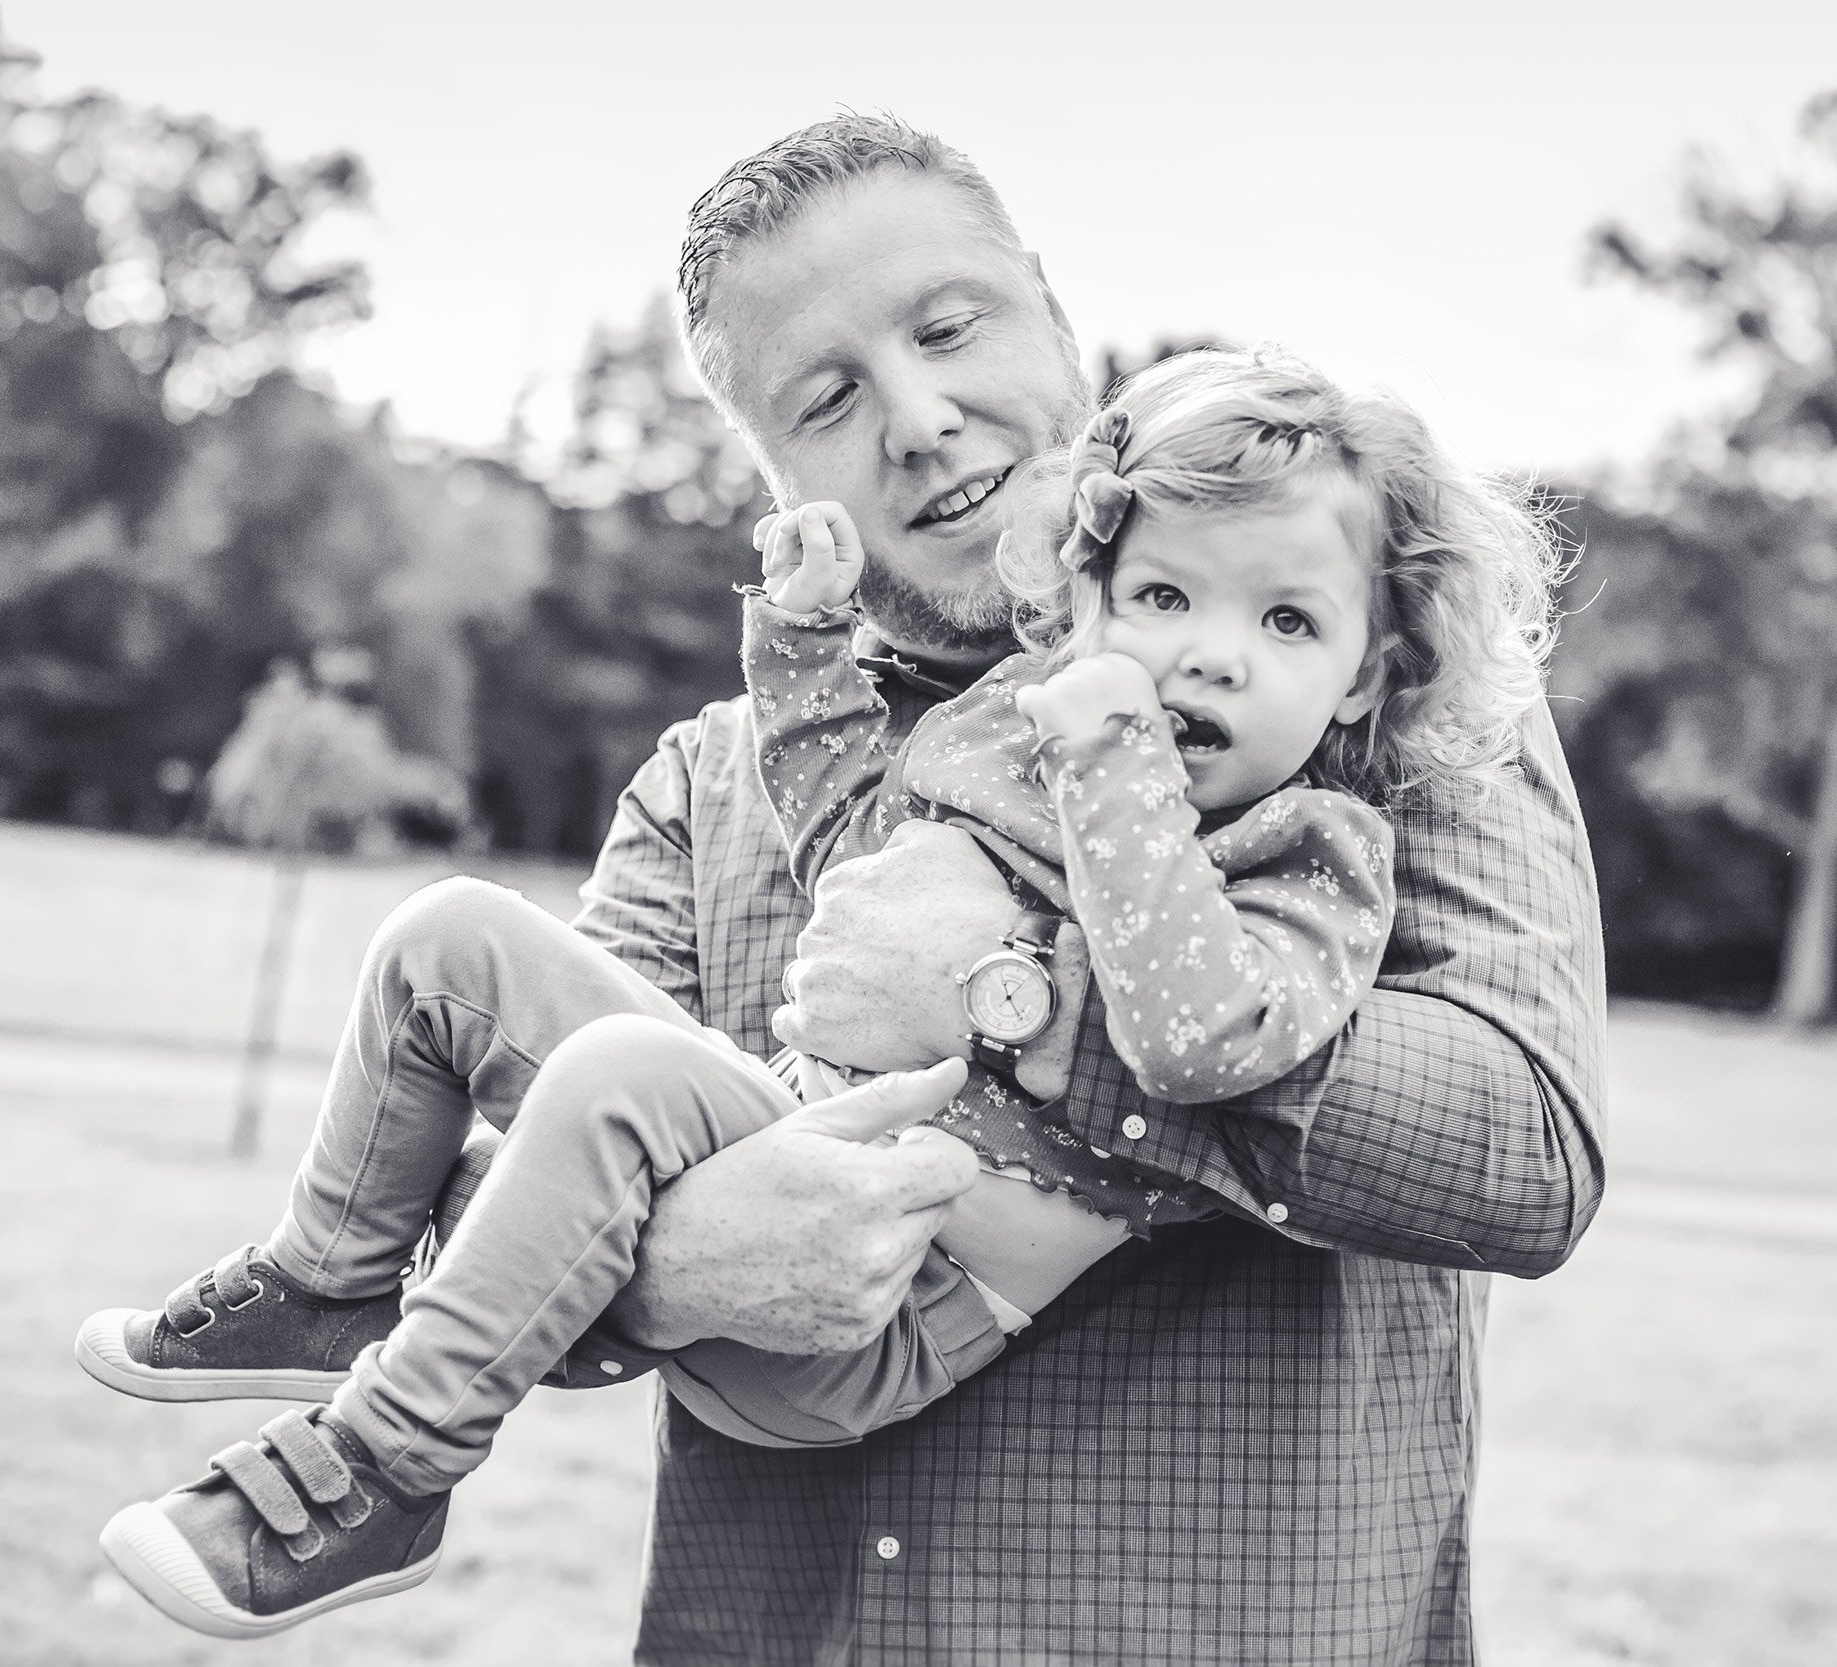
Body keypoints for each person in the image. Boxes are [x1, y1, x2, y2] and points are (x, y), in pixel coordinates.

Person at [107, 114, 1604, 1663]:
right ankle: (318, 1288)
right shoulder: (716, 778)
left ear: (1048, 299)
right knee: (450, 943)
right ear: (766, 460)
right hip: (777, 1626)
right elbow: (494, 1207)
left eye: (949, 327)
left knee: (621, 1074)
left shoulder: (1389, 718)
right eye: (826, 399)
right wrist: (670, 1258)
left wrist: (1016, 1000)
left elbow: (1526, 1162)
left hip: (1207, 1625)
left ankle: (386, 1469)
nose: (920, 417)